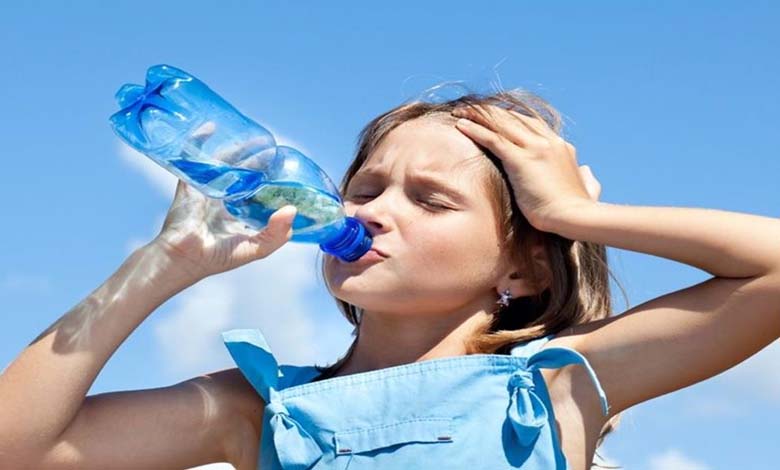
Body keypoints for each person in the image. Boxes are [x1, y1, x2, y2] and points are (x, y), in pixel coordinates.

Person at [2, 89, 779, 470]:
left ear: (522, 262)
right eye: (366, 188)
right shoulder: (260, 407)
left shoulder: (557, 387)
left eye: (429, 200)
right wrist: (155, 269)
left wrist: (574, 213)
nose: (373, 212)